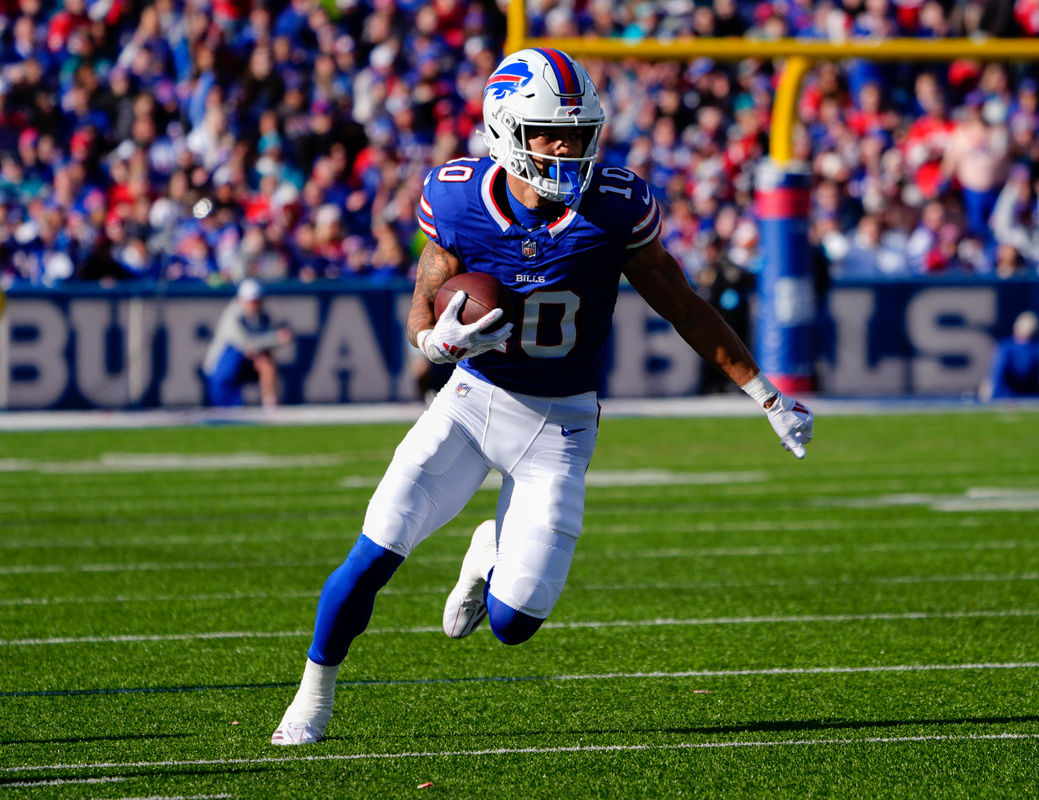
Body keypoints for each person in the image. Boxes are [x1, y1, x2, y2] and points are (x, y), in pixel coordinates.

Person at [271, 48, 814, 746]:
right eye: (548, 134)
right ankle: (313, 695)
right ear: (506, 129)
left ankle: (486, 550)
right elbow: (424, 299)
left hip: (559, 425)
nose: (566, 148)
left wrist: (767, 396)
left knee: (514, 623)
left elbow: (682, 304)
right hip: (472, 402)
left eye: (578, 133)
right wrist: (430, 344)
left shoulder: (616, 207)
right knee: (375, 551)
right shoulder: (459, 199)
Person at [202, 278, 293, 407]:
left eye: (256, 301)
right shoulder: (232, 317)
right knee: (226, 415)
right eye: (251, 301)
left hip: (242, 367)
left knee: (266, 359)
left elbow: (257, 347)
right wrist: (276, 338)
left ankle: (270, 402)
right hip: (222, 371)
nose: (254, 305)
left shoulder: (261, 317)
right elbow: (247, 344)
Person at [980, 310, 1039, 400]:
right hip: (1008, 394)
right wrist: (994, 396)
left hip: (1034, 394)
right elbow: (997, 374)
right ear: (1016, 328)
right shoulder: (1005, 347)